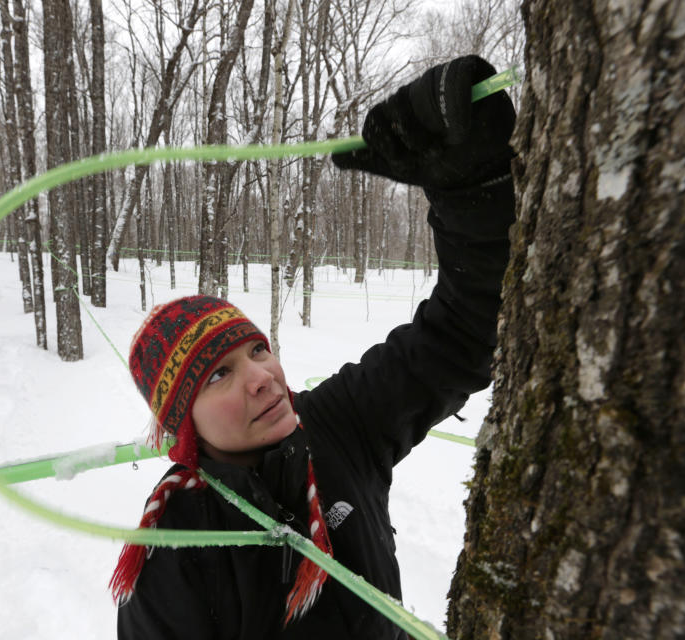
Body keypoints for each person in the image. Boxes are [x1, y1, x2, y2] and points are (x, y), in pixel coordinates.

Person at [111, 55, 517, 639]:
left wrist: (472, 190)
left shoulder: (339, 422)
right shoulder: (174, 547)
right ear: (183, 422)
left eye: (256, 351)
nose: (261, 377)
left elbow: (464, 332)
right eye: (218, 376)